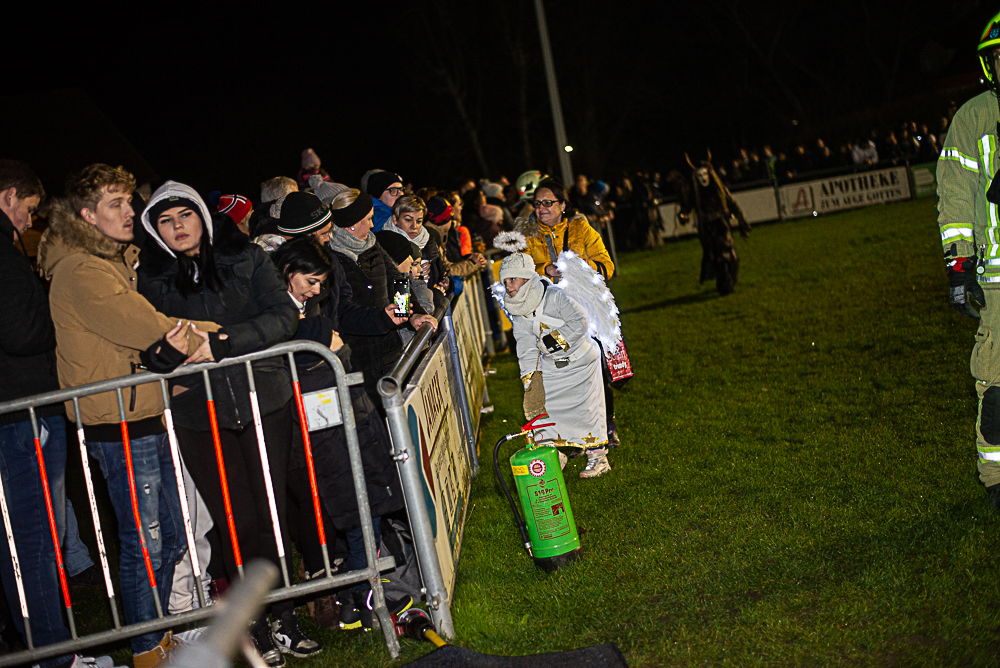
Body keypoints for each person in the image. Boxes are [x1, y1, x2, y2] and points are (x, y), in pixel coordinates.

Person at [38, 164, 217, 668]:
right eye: (115, 204)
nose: (129, 212)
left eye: (127, 201)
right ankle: (146, 647)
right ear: (86, 215)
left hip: (144, 412)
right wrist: (228, 333)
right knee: (147, 539)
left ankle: (157, 631)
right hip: (116, 424)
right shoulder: (82, 270)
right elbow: (149, 327)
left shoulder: (114, 261)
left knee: (173, 533)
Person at [135, 181, 311, 667]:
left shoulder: (246, 257)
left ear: (202, 217)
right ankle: (252, 624)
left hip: (262, 399)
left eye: (185, 216)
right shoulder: (150, 279)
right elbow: (146, 345)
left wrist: (226, 342)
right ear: (154, 229)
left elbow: (283, 316)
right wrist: (165, 356)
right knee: (236, 521)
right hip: (200, 415)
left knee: (272, 515)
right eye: (165, 221)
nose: (178, 227)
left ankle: (285, 615)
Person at [0, 160, 116, 668]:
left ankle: (45, 650)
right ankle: (54, 656)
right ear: (9, 196)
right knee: (32, 539)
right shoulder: (4, 255)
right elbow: (21, 332)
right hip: (21, 417)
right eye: (28, 209)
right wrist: (60, 312)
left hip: (19, 414)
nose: (29, 222)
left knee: (26, 537)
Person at [270, 238, 413, 630]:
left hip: (336, 406)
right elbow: (280, 340)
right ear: (288, 272)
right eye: (311, 281)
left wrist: (373, 321)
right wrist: (320, 334)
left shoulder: (307, 305)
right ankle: (360, 596)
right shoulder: (276, 307)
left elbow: (336, 326)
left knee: (362, 497)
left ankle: (363, 595)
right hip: (312, 416)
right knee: (351, 501)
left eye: (321, 283)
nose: (317, 290)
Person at [937, 11, 1000, 512]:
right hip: (998, 282)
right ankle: (997, 477)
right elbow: (956, 195)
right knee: (997, 382)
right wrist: (959, 266)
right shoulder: (973, 118)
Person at [513, 178, 623, 446]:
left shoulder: (580, 228)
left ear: (563, 204)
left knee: (595, 370)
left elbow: (606, 265)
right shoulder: (526, 236)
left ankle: (606, 426)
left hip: (586, 315)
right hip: (548, 318)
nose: (541, 208)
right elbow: (519, 273)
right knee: (561, 374)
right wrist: (545, 271)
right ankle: (571, 437)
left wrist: (577, 268)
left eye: (548, 203)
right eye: (537, 204)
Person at [499, 243, 610, 478]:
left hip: (581, 362)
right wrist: (530, 378)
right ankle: (553, 455)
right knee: (543, 410)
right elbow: (525, 346)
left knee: (588, 411)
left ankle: (598, 458)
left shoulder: (555, 296)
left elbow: (579, 321)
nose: (508, 286)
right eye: (505, 281)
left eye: (513, 279)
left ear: (527, 278)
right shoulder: (516, 310)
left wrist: (552, 341)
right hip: (553, 367)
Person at [325, 189, 437, 408]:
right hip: (357, 359)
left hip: (389, 352)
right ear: (351, 224)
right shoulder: (331, 258)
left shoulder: (373, 244)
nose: (372, 225)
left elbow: (398, 281)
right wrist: (382, 318)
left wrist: (411, 315)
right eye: (368, 219)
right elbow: (342, 312)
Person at [679, 154, 751, 296]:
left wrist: (742, 221)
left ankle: (730, 279)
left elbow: (732, 203)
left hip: (721, 224)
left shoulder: (719, 188)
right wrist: (683, 215)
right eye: (699, 176)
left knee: (729, 254)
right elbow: (687, 207)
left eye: (705, 174)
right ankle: (722, 282)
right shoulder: (695, 192)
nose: (703, 178)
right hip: (707, 228)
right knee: (713, 256)